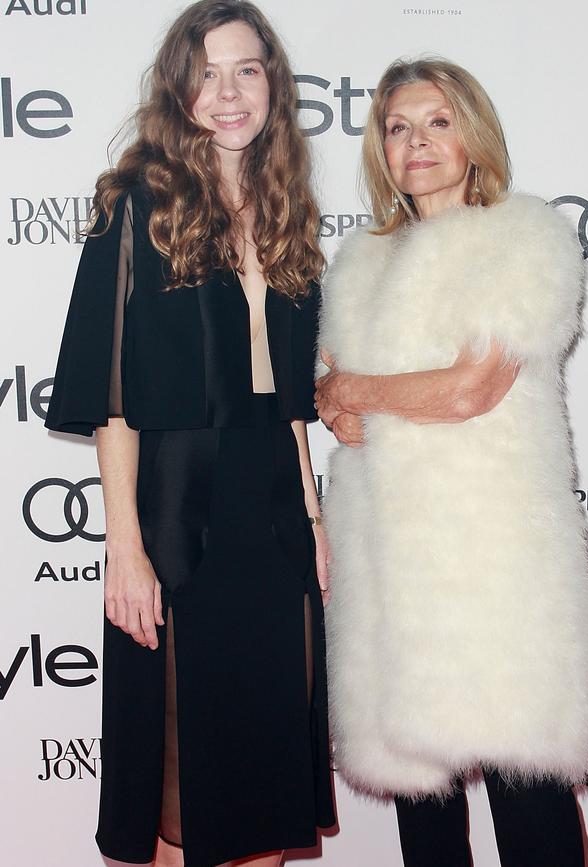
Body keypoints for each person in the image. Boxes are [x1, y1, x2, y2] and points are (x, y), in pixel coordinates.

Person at [45, 2, 335, 866]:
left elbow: (289, 403)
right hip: (177, 521)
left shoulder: (288, 212)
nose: (228, 91)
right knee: (180, 800)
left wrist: (314, 520)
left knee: (265, 795)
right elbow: (114, 401)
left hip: (274, 521)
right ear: (179, 90)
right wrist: (124, 548)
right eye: (206, 72)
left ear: (273, 85)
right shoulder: (138, 206)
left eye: (246, 69)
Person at [315, 57, 588, 867]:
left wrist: (361, 388)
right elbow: (335, 410)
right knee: (423, 805)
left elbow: (472, 387)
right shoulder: (360, 262)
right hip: (390, 566)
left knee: (527, 788)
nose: (418, 142)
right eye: (398, 127)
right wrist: (363, 397)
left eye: (437, 122)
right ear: (381, 147)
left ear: (472, 134)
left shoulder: (523, 235)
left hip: (495, 559)